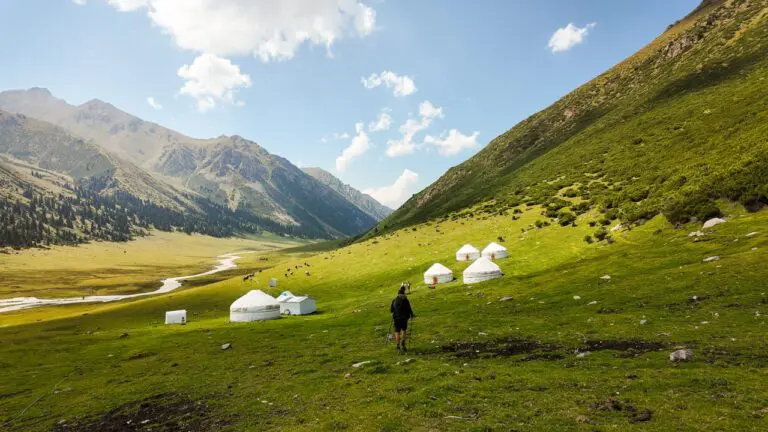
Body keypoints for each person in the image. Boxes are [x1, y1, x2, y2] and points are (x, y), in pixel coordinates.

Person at [390, 285, 415, 353]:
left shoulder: (394, 300)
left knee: (397, 331)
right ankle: (403, 343)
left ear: (398, 294)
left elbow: (391, 310)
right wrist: (412, 315)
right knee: (404, 330)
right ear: (403, 293)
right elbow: (409, 308)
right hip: (404, 318)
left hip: (397, 318)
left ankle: (398, 346)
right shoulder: (406, 300)